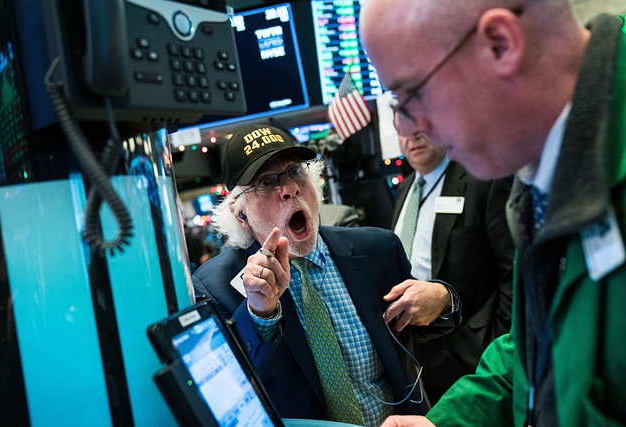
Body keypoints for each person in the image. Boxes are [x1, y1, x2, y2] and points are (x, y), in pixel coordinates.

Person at [360, 0, 626, 426]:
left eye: (410, 95)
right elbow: (535, 350)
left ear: (501, 44)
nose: (408, 129)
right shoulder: (537, 173)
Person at [192, 124, 462, 427]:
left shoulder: (377, 248)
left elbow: (426, 333)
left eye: (295, 171)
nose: (290, 189)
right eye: (266, 182)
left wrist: (444, 300)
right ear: (241, 214)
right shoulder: (218, 286)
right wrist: (259, 314)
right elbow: (230, 396)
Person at [391, 113, 514, 403]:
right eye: (402, 125)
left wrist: (490, 341)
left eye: (418, 119)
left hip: (475, 356)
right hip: (418, 360)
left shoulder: (481, 178)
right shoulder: (404, 189)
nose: (412, 135)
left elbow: (514, 270)